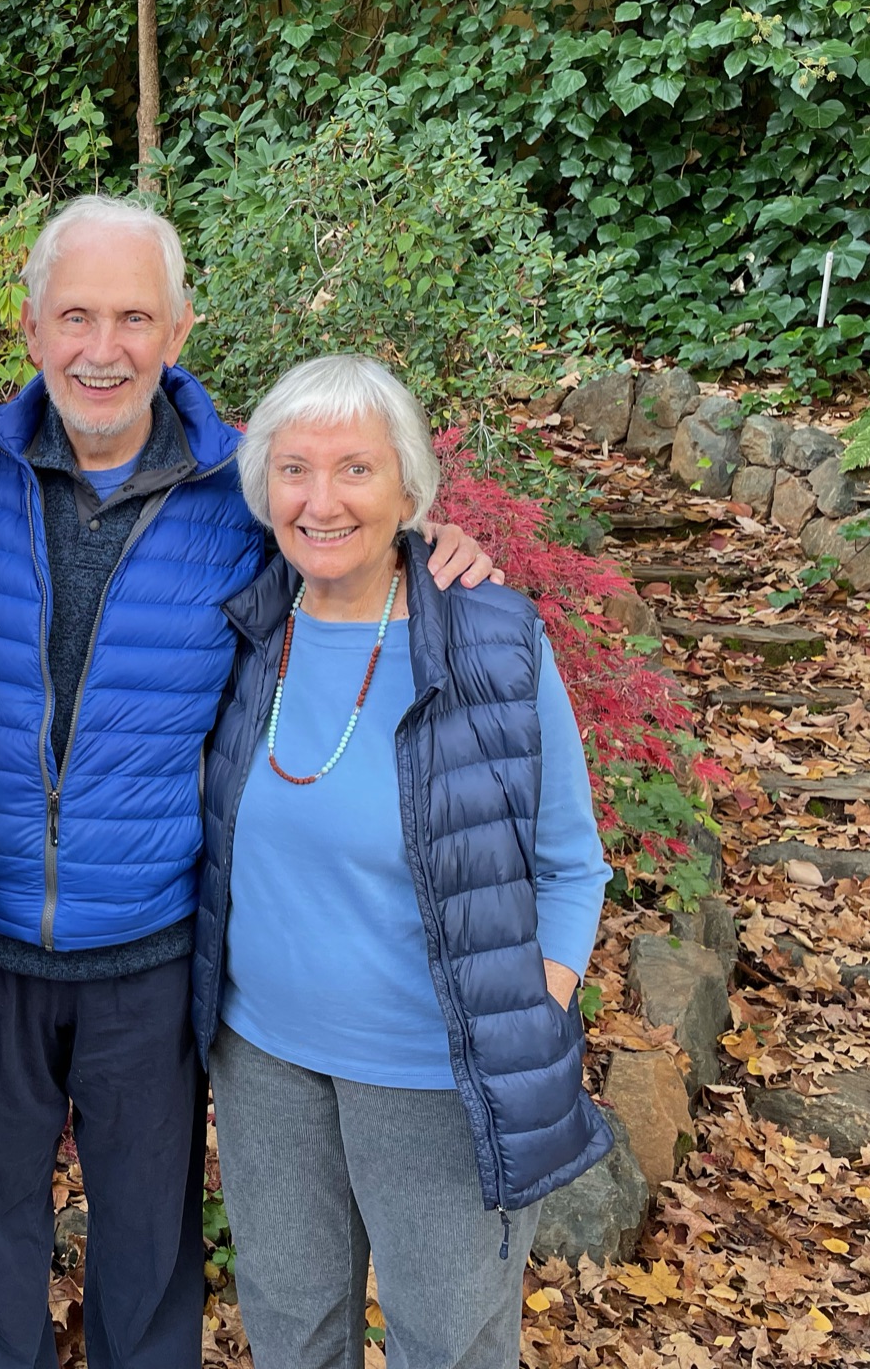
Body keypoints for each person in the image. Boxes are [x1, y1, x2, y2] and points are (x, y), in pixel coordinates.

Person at [0, 198, 499, 1369]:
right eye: (75, 315)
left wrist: (443, 547)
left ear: (180, 328)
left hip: (150, 955)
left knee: (149, 1271)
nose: (103, 347)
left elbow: (344, 535)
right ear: (32, 328)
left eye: (133, 316)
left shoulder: (239, 492)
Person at [191, 353, 613, 1369]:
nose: (322, 499)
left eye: (356, 470)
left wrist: (526, 1004)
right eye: (293, 470)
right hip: (264, 1063)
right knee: (295, 1336)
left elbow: (571, 865)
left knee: (449, 1344)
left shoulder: (492, 641)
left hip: (438, 1073)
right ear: (264, 492)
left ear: (411, 492)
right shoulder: (243, 634)